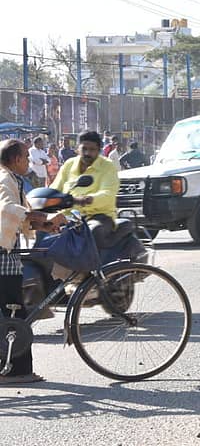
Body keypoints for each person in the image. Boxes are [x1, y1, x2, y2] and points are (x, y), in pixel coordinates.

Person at [0, 139, 64, 384]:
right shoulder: (5, 180)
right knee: (14, 313)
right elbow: (8, 209)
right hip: (4, 256)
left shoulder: (12, 179)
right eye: (26, 157)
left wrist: (44, 225)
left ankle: (15, 368)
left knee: (13, 312)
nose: (29, 161)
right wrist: (41, 217)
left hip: (9, 252)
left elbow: (20, 218)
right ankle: (15, 371)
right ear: (16, 159)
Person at [50, 130, 121, 252]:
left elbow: (108, 194)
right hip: (68, 217)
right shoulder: (69, 165)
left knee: (91, 233)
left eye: (92, 149)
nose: (87, 153)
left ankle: (92, 264)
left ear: (99, 150)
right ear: (78, 149)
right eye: (84, 149)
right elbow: (55, 188)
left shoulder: (107, 166)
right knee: (44, 229)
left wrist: (87, 200)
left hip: (98, 216)